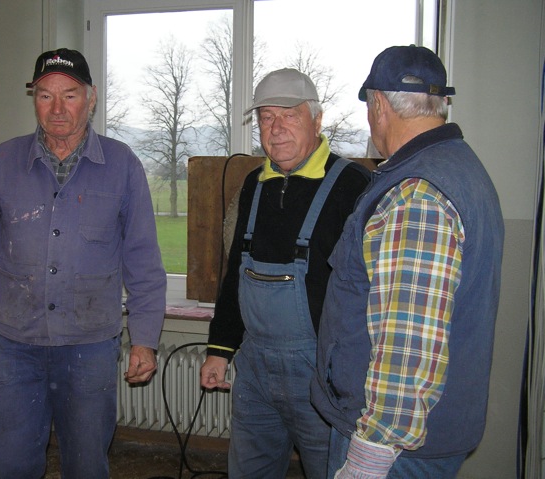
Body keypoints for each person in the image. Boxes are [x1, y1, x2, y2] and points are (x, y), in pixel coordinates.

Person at [0, 48, 166, 478]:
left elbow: (143, 259)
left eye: (69, 95)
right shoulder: (1, 163)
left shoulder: (122, 165)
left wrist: (144, 339)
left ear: (91, 98)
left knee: (86, 464)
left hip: (89, 346)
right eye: (45, 95)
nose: (57, 109)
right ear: (34, 99)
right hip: (15, 344)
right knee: (8, 463)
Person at [311, 45, 505, 479]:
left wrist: (366, 463)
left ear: (379, 105)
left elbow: (407, 347)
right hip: (425, 438)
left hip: (394, 451)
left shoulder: (416, 193)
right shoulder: (459, 168)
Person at [200, 68, 370, 478]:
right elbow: (235, 274)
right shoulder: (254, 185)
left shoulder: (354, 186)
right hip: (255, 370)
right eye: (266, 118)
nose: (275, 129)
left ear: (317, 119)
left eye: (289, 115)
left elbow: (369, 291)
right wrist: (220, 349)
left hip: (321, 374)